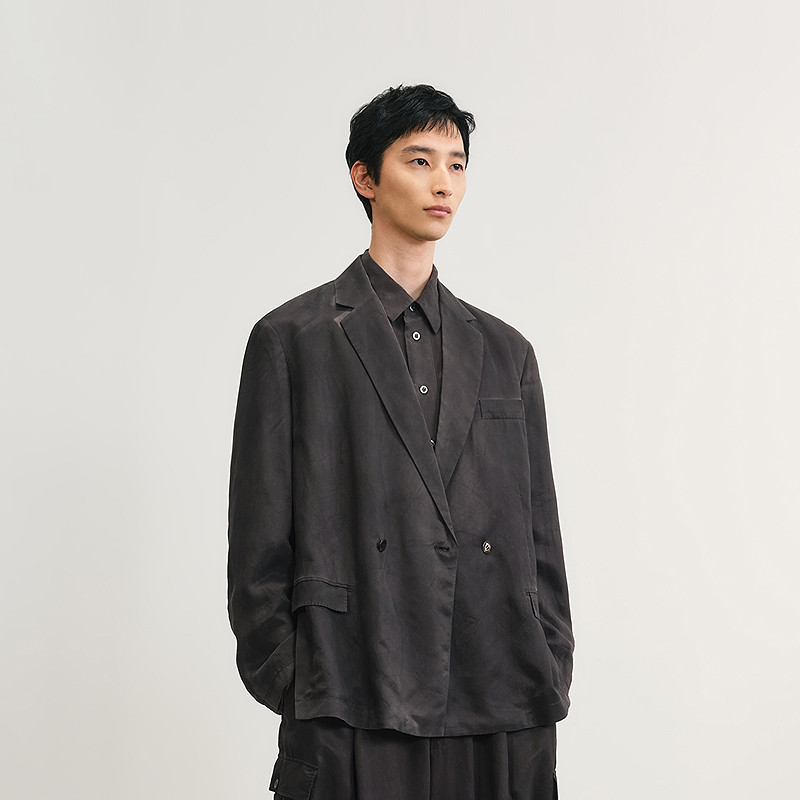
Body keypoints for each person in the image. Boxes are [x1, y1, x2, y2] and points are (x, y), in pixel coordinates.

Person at [227, 84, 574, 799]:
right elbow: (257, 543)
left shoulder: (506, 351)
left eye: (456, 164)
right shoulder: (293, 340)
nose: (443, 182)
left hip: (499, 686)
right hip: (353, 686)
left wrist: (550, 658)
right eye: (420, 161)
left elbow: (540, 530)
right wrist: (295, 680)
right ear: (365, 176)